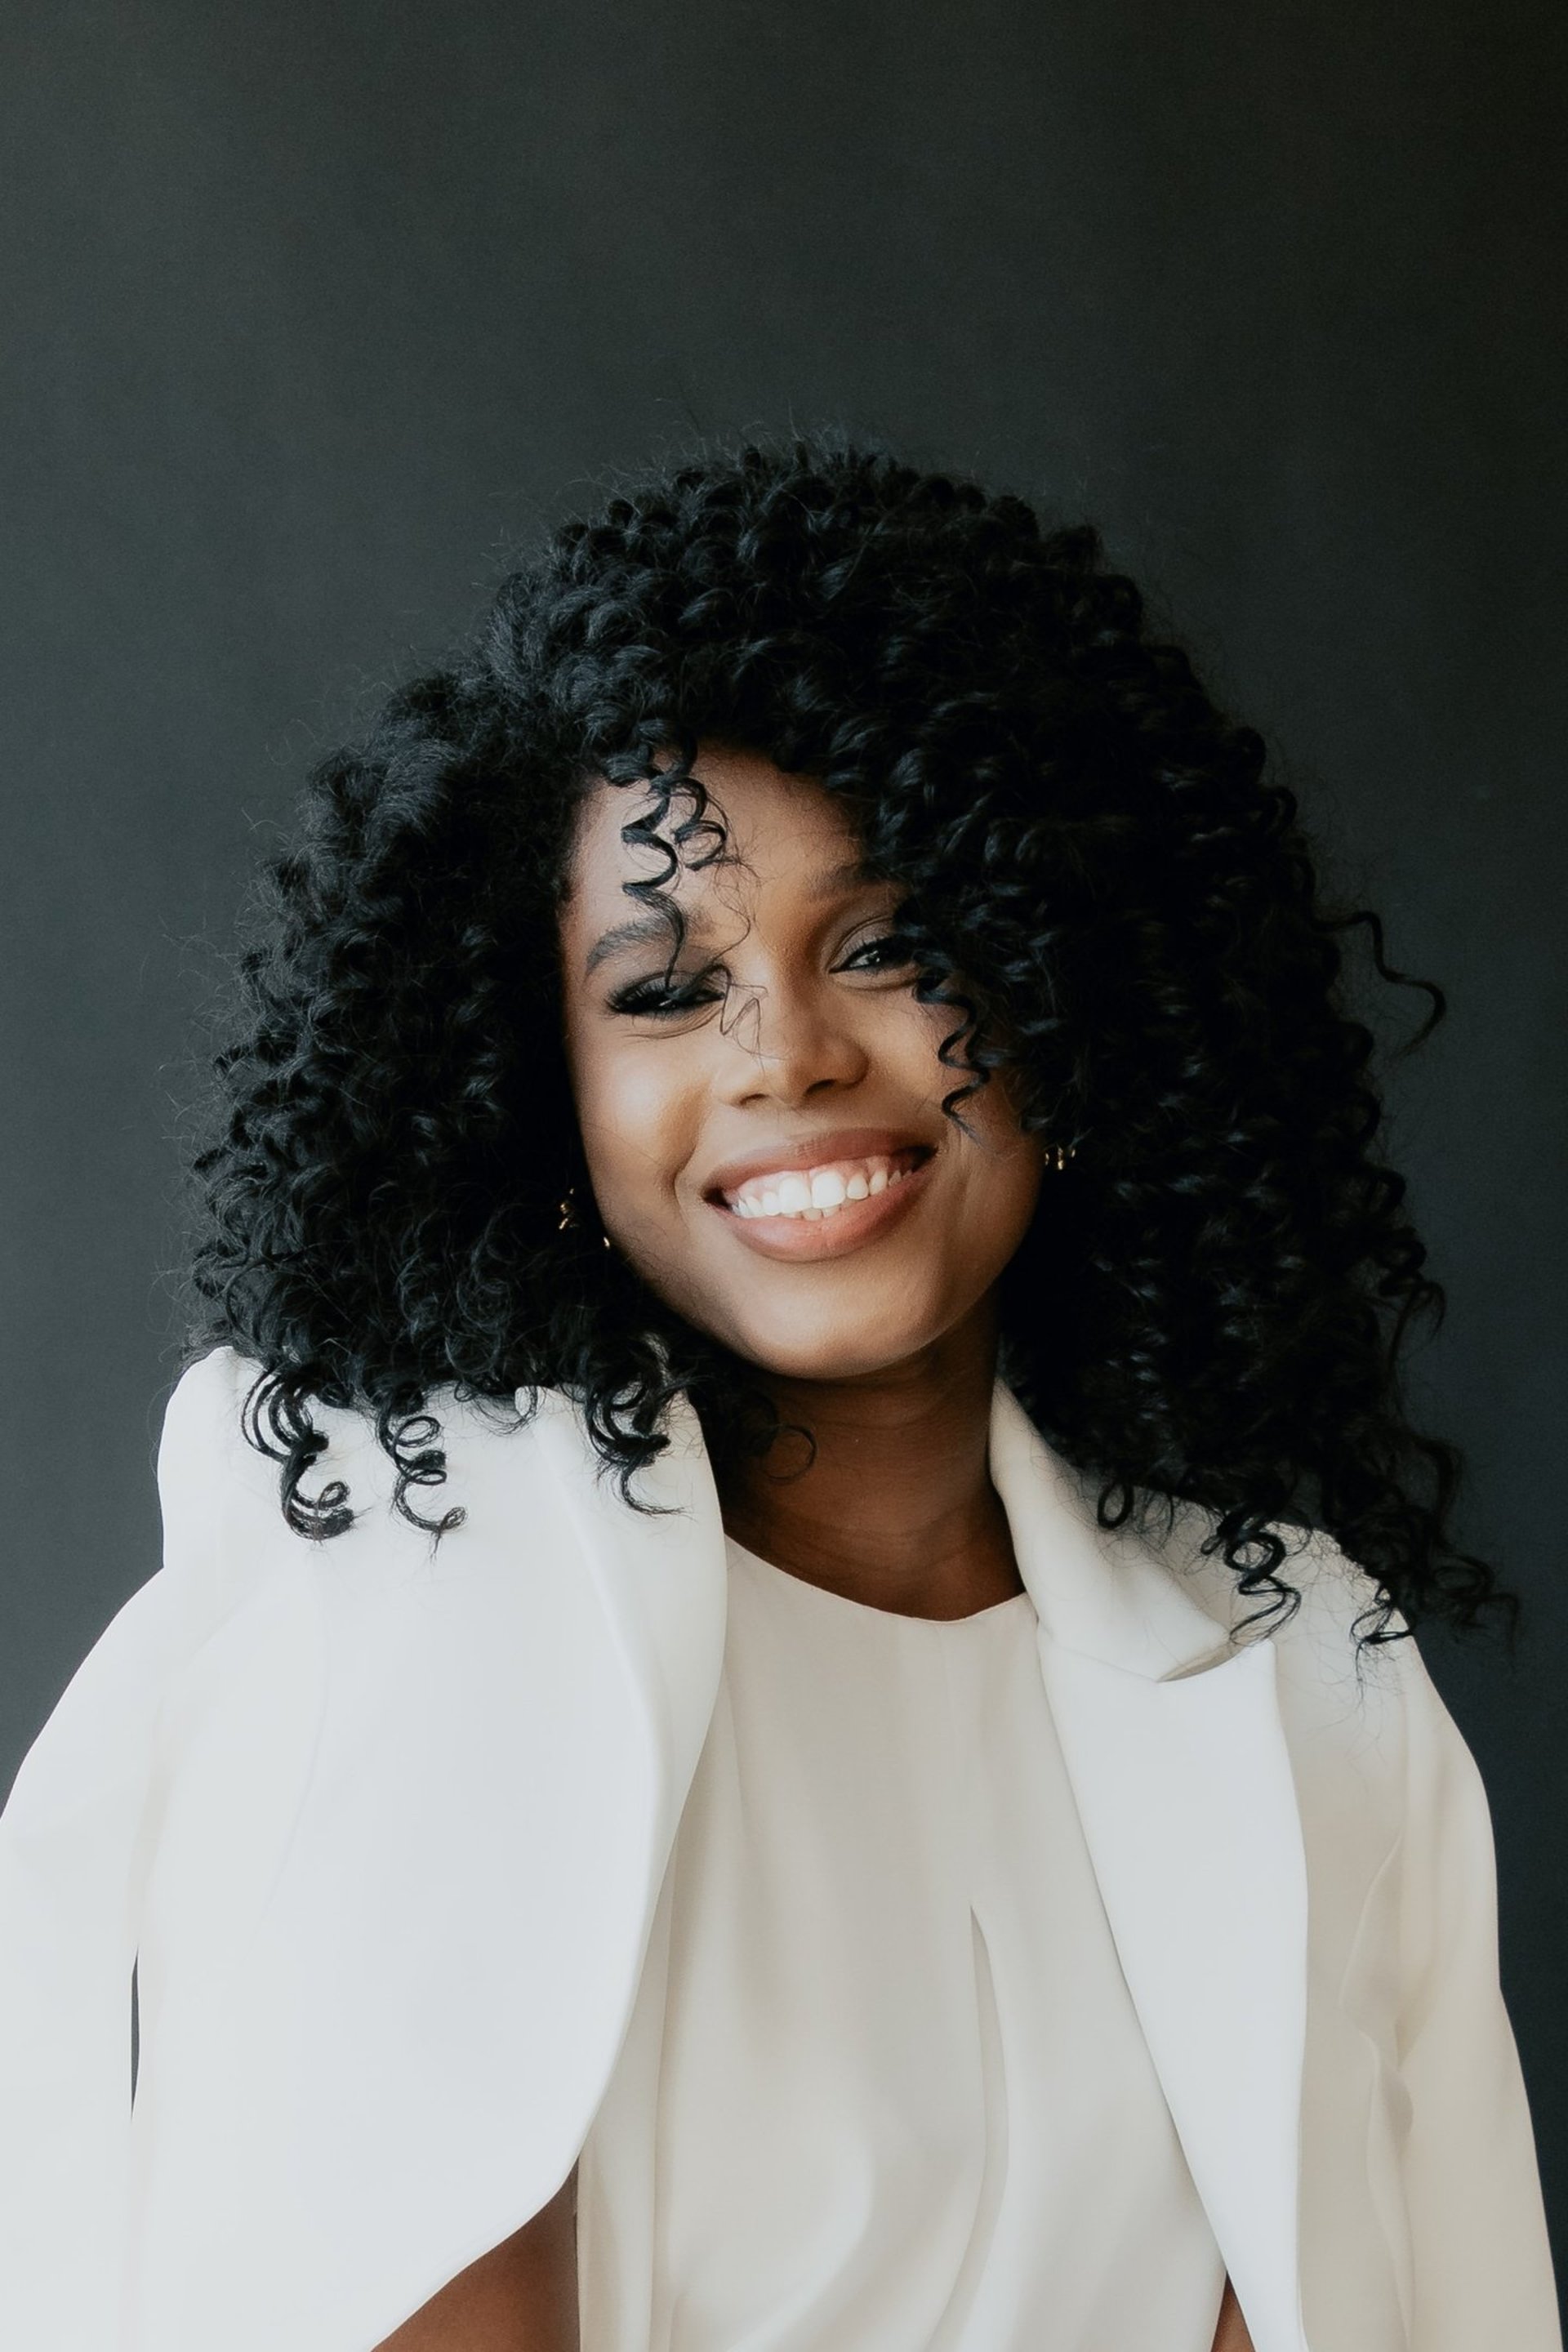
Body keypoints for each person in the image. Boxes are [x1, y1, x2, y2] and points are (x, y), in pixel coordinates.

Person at [0, 437, 1557, 2352]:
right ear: (546, 1101)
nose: (788, 1057)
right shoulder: (423, 1599)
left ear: (1073, 996)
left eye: (890, 948)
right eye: (666, 988)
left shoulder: (1306, 1669)